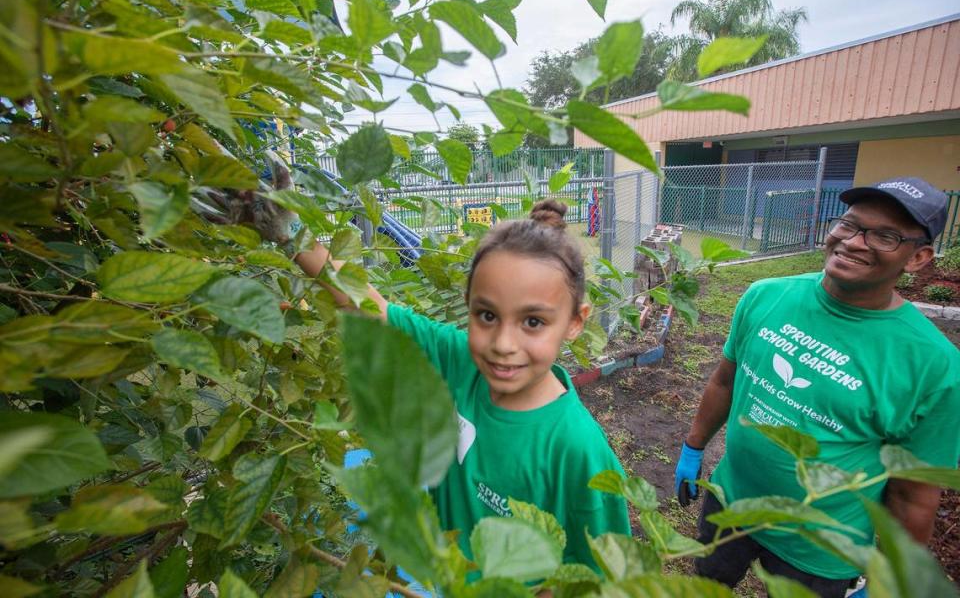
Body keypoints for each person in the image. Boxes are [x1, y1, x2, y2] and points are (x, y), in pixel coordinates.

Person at [208, 165, 632, 570]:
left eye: (533, 322)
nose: (503, 345)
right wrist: (291, 234)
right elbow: (371, 307)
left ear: (576, 322)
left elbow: (598, 575)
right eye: (486, 316)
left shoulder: (580, 454)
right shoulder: (460, 359)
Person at [673, 176, 960, 596]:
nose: (855, 242)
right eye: (849, 224)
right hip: (731, 500)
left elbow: (913, 494)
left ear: (917, 257)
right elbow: (725, 379)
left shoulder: (934, 366)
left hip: (821, 547)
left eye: (884, 235)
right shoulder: (765, 295)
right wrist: (693, 447)